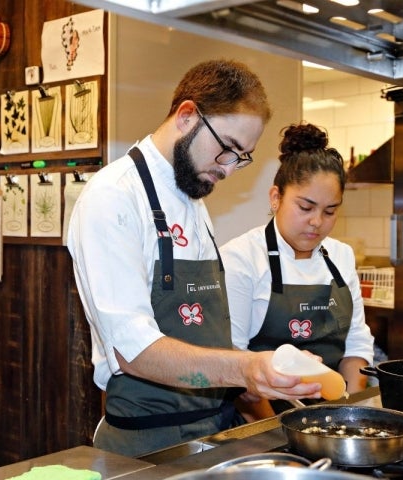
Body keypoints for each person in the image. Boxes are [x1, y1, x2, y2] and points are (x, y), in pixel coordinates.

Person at [67, 59, 323, 458]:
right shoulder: (113, 198)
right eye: (227, 150)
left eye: (243, 158)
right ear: (187, 115)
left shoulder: (192, 200)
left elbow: (202, 331)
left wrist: (256, 378)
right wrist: (246, 367)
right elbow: (133, 352)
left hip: (215, 433)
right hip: (149, 445)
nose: (229, 169)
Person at [221, 123, 375, 418]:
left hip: (333, 412)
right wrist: (279, 430)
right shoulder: (241, 259)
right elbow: (234, 364)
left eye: (330, 211)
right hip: (262, 419)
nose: (317, 222)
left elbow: (356, 343)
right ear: (275, 197)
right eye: (306, 207)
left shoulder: (341, 256)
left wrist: (347, 415)